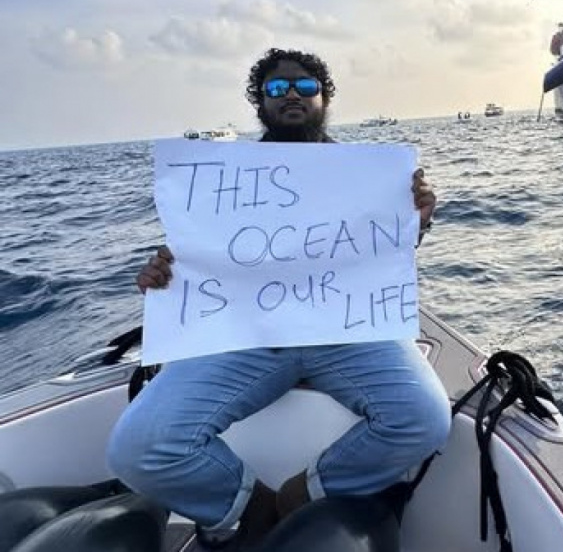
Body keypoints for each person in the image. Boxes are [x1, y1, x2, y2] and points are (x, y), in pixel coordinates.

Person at [106, 48, 451, 548]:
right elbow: (198, 256)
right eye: (277, 87)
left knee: (425, 418)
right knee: (136, 447)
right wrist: (161, 275)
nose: (292, 94)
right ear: (259, 102)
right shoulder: (221, 179)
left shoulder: (370, 174)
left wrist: (415, 221)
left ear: (324, 98)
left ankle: (303, 495)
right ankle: (250, 507)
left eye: (306, 86)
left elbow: (379, 257)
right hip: (250, 338)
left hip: (345, 332)